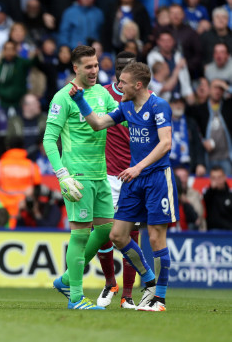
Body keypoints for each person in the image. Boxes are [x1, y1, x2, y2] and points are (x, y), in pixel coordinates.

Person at [69, 61, 179, 312]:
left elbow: (165, 144)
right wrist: (80, 101)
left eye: (124, 83)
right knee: (117, 235)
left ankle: (158, 299)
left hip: (157, 179)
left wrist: (138, 167)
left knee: (155, 237)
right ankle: (148, 277)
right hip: (134, 179)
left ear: (138, 84)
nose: (118, 86)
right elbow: (97, 124)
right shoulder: (126, 106)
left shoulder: (159, 106)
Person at [44, 45, 116, 310]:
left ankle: (65, 279)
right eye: (88, 66)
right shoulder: (63, 97)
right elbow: (49, 140)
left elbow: (119, 119)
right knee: (80, 235)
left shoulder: (102, 93)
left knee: (108, 229)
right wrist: (62, 176)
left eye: (96, 65)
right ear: (75, 68)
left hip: (101, 173)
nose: (94, 70)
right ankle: (75, 297)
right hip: (77, 176)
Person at [96, 51, 139, 309]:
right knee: (103, 233)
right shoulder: (102, 94)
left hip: (134, 175)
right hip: (107, 174)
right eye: (121, 68)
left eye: (129, 68)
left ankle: (128, 295)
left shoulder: (146, 99)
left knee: (130, 236)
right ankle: (110, 282)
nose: (124, 73)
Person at [0, 136, 41, 229]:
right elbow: (37, 187)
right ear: (23, 147)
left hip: (1, 210)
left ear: (8, 148)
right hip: (23, 210)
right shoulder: (32, 166)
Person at [203, 166, 232, 230]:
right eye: (213, 178)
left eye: (219, 177)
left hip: (229, 232)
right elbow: (206, 199)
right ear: (210, 179)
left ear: (224, 177)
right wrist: (212, 189)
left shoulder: (230, 195)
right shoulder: (208, 194)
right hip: (213, 232)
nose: (217, 181)